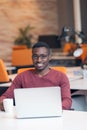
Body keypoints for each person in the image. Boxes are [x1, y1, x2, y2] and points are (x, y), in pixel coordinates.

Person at [0, 42, 72, 110]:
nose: (39, 60)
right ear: (32, 57)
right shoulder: (21, 76)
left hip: (54, 115)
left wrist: (58, 109)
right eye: (35, 56)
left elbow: (67, 100)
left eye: (43, 56)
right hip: (27, 114)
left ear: (49, 57)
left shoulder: (61, 76)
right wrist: (2, 102)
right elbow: (6, 96)